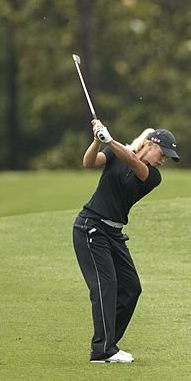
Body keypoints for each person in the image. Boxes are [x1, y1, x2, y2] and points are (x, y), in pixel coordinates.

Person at [72, 119, 180, 363]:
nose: (163, 161)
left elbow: (132, 161)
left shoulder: (152, 176)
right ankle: (102, 350)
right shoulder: (114, 153)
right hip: (90, 227)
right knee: (106, 287)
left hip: (113, 234)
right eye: (162, 154)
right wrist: (96, 141)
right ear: (150, 144)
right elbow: (89, 162)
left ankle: (110, 345)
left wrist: (108, 139)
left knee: (131, 287)